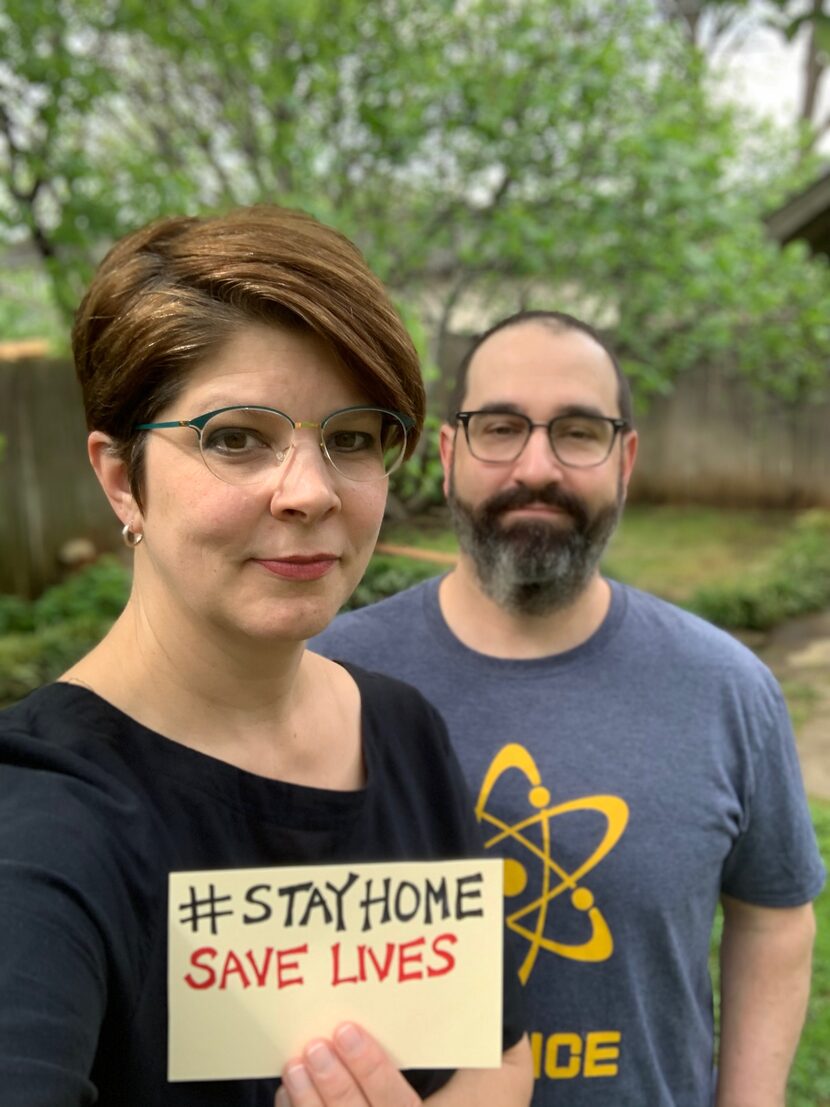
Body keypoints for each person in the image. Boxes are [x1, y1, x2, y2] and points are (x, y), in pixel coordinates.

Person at [0, 208, 533, 1107]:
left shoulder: (400, 731)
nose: (311, 490)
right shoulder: (41, 826)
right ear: (122, 477)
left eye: (352, 437)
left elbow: (499, 1050)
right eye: (237, 437)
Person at [311, 309, 826, 1107]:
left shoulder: (729, 687)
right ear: (449, 456)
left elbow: (775, 914)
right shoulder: (327, 676)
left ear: (626, 460)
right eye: (501, 427)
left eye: (579, 431)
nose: (538, 466)